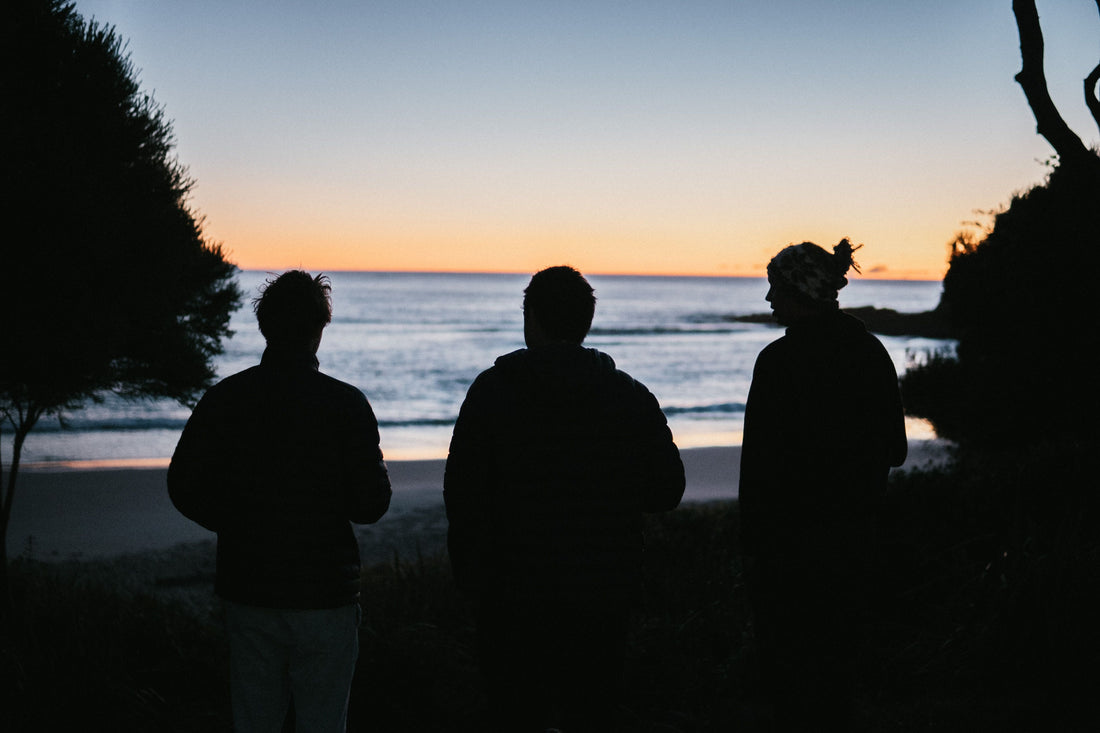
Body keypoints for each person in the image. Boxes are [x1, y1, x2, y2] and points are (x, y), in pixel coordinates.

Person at [444, 265, 685, 733]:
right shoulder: (630, 396)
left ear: (531, 318)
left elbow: (462, 497)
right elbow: (667, 490)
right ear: (586, 321)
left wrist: (473, 582)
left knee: (514, 714)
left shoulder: (491, 392)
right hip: (602, 592)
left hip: (509, 597)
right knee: (592, 713)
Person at [168, 270, 391, 733]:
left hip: (249, 587)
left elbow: (183, 484)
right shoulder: (346, 405)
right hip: (326, 592)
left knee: (254, 721)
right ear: (320, 329)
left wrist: (234, 521)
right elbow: (371, 505)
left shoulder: (225, 398)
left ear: (265, 327)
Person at [738, 239, 908, 731]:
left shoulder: (777, 362)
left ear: (800, 291)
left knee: (789, 678)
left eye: (775, 289)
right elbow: (895, 450)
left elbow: (758, 470)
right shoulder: (871, 352)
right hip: (853, 542)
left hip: (785, 551)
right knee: (836, 677)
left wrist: (750, 547)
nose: (769, 300)